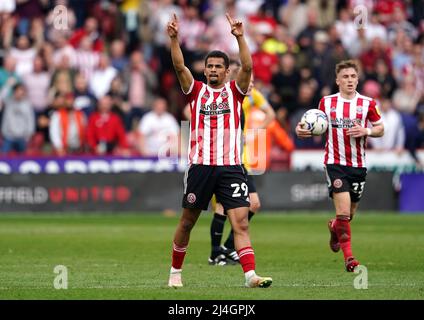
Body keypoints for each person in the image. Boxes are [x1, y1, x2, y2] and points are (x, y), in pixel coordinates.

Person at [167, 13, 272, 288]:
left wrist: (239, 37)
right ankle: (175, 274)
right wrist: (175, 39)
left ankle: (250, 276)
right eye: (209, 66)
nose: (213, 70)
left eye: (218, 67)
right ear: (205, 70)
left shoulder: (236, 92)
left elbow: (247, 66)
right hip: (200, 166)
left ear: (227, 72)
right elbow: (179, 66)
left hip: (231, 168)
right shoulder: (195, 90)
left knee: (241, 223)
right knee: (187, 221)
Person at [295, 60, 384, 272]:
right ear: (337, 80)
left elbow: (380, 128)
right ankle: (350, 259)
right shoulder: (326, 103)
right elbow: (313, 124)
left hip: (358, 165)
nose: (350, 80)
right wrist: (302, 130)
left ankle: (335, 228)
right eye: (345, 77)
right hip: (334, 163)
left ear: (358, 79)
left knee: (349, 215)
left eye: (353, 76)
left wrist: (367, 131)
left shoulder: (368, 103)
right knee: (343, 212)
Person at [208, 73, 276, 266]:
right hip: (222, 160)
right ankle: (215, 253)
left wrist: (252, 134)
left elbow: (271, 114)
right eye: (249, 82)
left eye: (254, 82)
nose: (252, 86)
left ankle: (228, 247)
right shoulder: (225, 99)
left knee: (253, 204)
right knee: (221, 207)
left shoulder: (251, 97)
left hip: (241, 161)